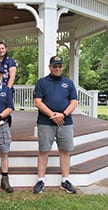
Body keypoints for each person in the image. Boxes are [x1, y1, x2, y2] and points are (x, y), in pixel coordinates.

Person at [33, 55, 78, 194]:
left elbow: (74, 102)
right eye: (54, 66)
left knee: (65, 150)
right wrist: (53, 115)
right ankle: (40, 180)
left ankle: (65, 180)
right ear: (50, 67)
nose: (57, 68)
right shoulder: (42, 82)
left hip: (65, 122)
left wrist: (63, 115)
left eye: (59, 66)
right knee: (44, 150)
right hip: (46, 122)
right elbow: (37, 101)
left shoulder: (69, 83)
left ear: (62, 67)